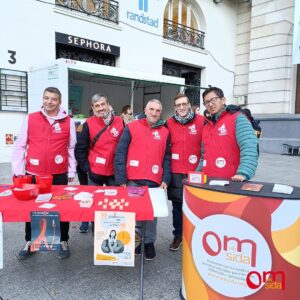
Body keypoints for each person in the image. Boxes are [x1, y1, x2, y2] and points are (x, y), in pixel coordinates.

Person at [12, 87, 76, 259]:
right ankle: (30, 240)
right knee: (31, 207)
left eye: (53, 99)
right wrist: (17, 171)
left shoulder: (68, 121)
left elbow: (71, 148)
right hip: (33, 173)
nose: (49, 101)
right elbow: (20, 145)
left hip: (59, 173)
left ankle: (63, 240)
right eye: (46, 98)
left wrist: (72, 170)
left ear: (59, 102)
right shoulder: (31, 118)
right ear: (43, 99)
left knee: (62, 207)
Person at [114, 99, 171, 260]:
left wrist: (166, 179)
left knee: (152, 214)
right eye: (151, 109)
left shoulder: (165, 131)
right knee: (135, 212)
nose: (154, 113)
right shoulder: (131, 127)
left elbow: (167, 157)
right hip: (133, 179)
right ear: (145, 110)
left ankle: (149, 243)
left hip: (154, 180)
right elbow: (120, 153)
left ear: (161, 112)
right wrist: (121, 179)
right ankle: (136, 241)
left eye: (157, 110)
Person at [75, 94, 124, 232]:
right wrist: (87, 168)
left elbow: (125, 146)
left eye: (103, 104)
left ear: (108, 104)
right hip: (95, 172)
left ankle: (113, 230)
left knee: (114, 204)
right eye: (97, 106)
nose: (101, 108)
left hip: (113, 172)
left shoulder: (120, 121)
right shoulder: (88, 124)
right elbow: (80, 149)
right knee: (93, 203)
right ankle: (95, 231)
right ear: (93, 108)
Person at [166, 93, 204, 251]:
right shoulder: (168, 123)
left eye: (184, 104)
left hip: (195, 172)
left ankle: (197, 236)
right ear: (175, 107)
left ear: (189, 105)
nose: (181, 107)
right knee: (177, 206)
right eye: (178, 105)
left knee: (196, 206)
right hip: (175, 172)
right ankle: (178, 236)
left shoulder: (202, 121)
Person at [197, 87, 258, 181]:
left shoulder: (238, 118)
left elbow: (249, 147)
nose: (210, 104)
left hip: (232, 183)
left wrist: (243, 173)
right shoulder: (206, 126)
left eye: (213, 100)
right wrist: (197, 173)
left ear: (223, 100)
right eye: (206, 102)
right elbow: (204, 155)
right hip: (208, 182)